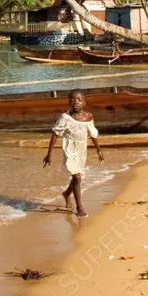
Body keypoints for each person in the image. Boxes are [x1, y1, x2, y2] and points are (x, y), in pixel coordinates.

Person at [42, 89, 103, 217]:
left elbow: (93, 134)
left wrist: (99, 150)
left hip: (82, 149)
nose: (76, 102)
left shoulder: (88, 117)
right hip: (69, 149)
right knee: (77, 177)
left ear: (85, 102)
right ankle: (79, 208)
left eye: (79, 100)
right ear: (68, 101)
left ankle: (66, 193)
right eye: (72, 99)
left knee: (78, 176)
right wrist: (49, 154)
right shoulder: (65, 118)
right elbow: (55, 134)